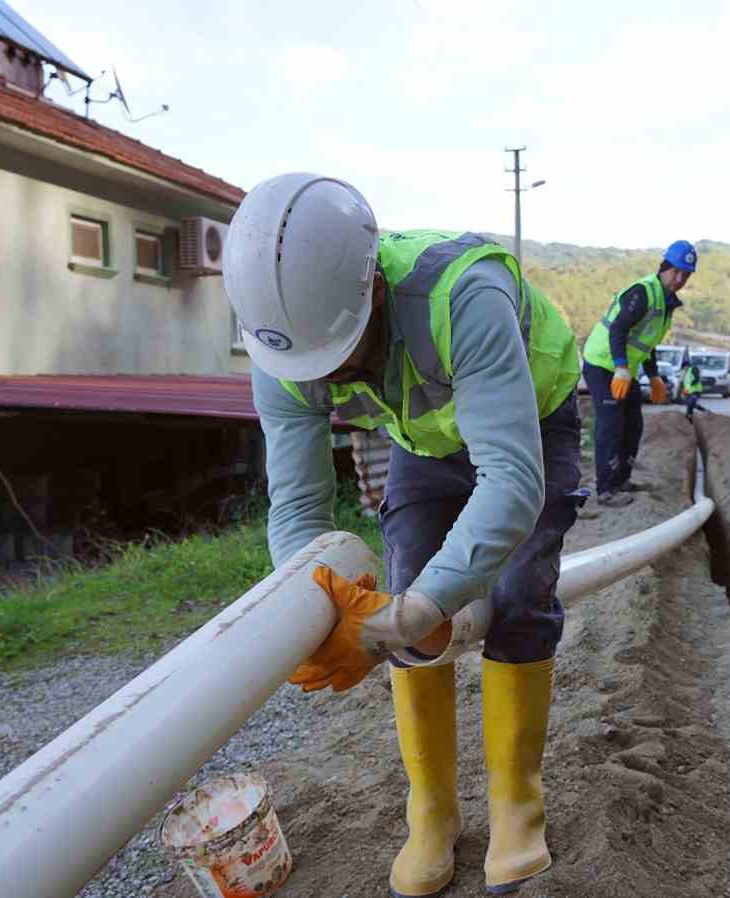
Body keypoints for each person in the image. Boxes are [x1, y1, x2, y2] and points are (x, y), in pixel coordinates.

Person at [224, 173, 584, 897]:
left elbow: (512, 484)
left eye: (343, 356)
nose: (332, 377)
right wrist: (315, 612)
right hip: (424, 441)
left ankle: (516, 802)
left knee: (516, 588)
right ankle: (434, 813)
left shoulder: (463, 296)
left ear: (375, 294)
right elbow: (298, 511)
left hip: (528, 419)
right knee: (410, 569)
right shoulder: (283, 350)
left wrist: (417, 614)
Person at [580, 240, 695, 507]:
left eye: (685, 275)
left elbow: (647, 343)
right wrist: (620, 366)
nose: (679, 279)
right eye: (675, 272)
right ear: (664, 267)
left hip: (624, 370)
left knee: (633, 424)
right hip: (602, 364)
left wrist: (653, 376)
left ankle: (621, 480)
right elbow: (617, 330)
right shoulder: (643, 293)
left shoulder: (666, 304)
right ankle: (606, 489)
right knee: (610, 425)